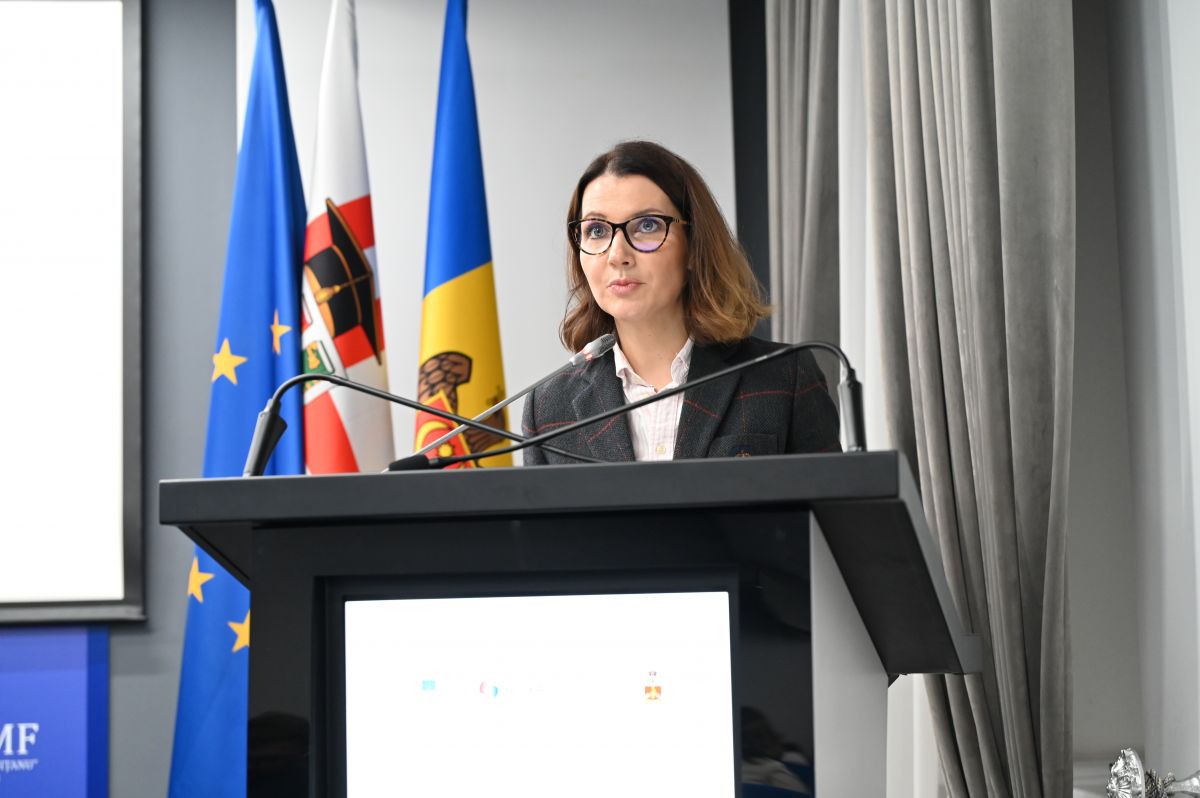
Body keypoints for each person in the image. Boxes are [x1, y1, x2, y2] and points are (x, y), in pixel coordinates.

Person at [521, 140, 839, 465]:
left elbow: (832, 499)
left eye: (647, 226)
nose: (617, 255)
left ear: (693, 246)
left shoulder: (784, 378)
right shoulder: (547, 410)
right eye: (597, 230)